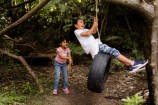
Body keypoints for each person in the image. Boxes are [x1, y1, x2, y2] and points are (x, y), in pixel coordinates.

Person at [73, 16, 148, 73]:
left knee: (114, 52)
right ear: (76, 25)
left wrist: (96, 23)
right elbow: (88, 33)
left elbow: (94, 32)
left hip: (97, 45)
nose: (82, 23)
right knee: (114, 51)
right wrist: (94, 24)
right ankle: (133, 64)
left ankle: (130, 65)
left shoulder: (85, 29)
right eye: (80, 22)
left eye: (83, 22)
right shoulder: (77, 31)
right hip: (96, 46)